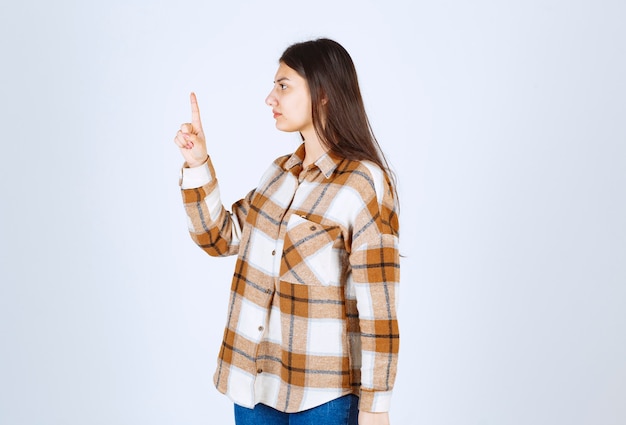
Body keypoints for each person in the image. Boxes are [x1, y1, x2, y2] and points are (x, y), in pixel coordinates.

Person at [173, 38, 400, 425]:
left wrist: (375, 408)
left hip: (324, 397)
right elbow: (220, 237)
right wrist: (197, 165)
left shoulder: (363, 184)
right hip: (254, 386)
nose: (269, 98)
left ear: (323, 93)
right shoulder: (279, 175)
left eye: (283, 85)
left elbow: (379, 310)